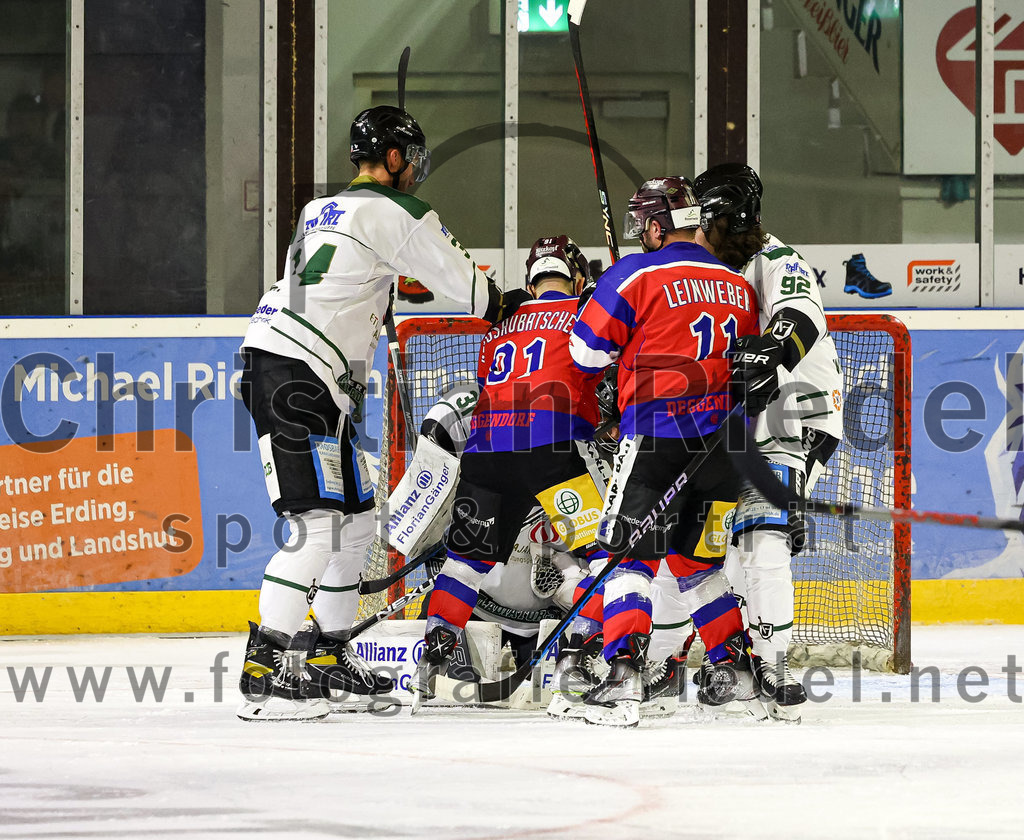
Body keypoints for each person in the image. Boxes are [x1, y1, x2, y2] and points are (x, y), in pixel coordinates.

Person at [236, 104, 513, 721]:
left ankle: (330, 654)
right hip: (297, 374)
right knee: (318, 525)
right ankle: (266, 670)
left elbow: (345, 279)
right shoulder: (397, 211)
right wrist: (511, 303)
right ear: (392, 157)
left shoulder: (320, 210)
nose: (415, 170)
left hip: (302, 371)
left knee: (356, 522)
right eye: (409, 157)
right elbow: (472, 289)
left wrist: (397, 278)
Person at [567, 176, 764, 728]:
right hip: (724, 447)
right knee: (698, 565)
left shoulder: (636, 273)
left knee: (627, 558)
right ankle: (736, 677)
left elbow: (584, 352)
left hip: (656, 437)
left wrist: (613, 321)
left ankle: (623, 679)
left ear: (655, 226)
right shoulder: (738, 284)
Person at [409, 235, 606, 711]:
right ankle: (579, 652)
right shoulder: (586, 312)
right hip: (552, 453)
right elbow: (597, 378)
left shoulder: (502, 325)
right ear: (576, 275)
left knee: (465, 565)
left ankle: (436, 654)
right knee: (607, 560)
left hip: (488, 452)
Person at [693, 162, 844, 721]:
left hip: (795, 410)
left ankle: (775, 667)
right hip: (737, 421)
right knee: (713, 552)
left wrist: (774, 348)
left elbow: (800, 311)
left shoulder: (776, 260)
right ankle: (722, 660)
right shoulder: (702, 269)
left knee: (763, 540)